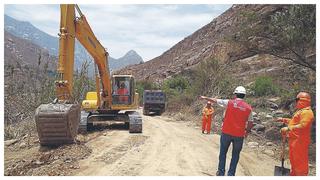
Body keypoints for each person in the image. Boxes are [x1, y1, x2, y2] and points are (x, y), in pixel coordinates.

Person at [200, 86, 253, 176]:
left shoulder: (229, 102)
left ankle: (221, 172)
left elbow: (216, 100)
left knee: (223, 153)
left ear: (235, 94)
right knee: (235, 156)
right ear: (244, 96)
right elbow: (251, 122)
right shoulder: (248, 108)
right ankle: (231, 174)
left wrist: (206, 98)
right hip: (239, 135)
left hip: (226, 133)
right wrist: (247, 132)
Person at [277, 92, 314, 176]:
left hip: (300, 141)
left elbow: (303, 125)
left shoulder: (307, 112)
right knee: (294, 162)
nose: (296, 102)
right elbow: (294, 123)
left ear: (303, 101)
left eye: (297, 100)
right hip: (294, 140)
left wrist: (288, 128)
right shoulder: (301, 111)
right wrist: (284, 119)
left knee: (300, 163)